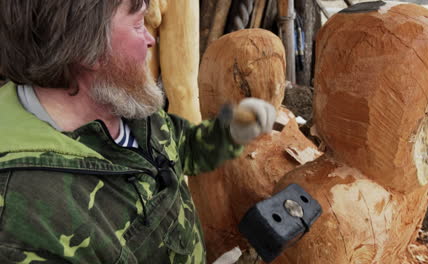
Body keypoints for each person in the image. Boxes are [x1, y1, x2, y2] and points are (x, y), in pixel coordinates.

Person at [0, 0, 276, 263]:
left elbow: (181, 148)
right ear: (87, 50)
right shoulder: (25, 221)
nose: (150, 38)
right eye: (138, 24)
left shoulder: (124, 103)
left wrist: (229, 132)